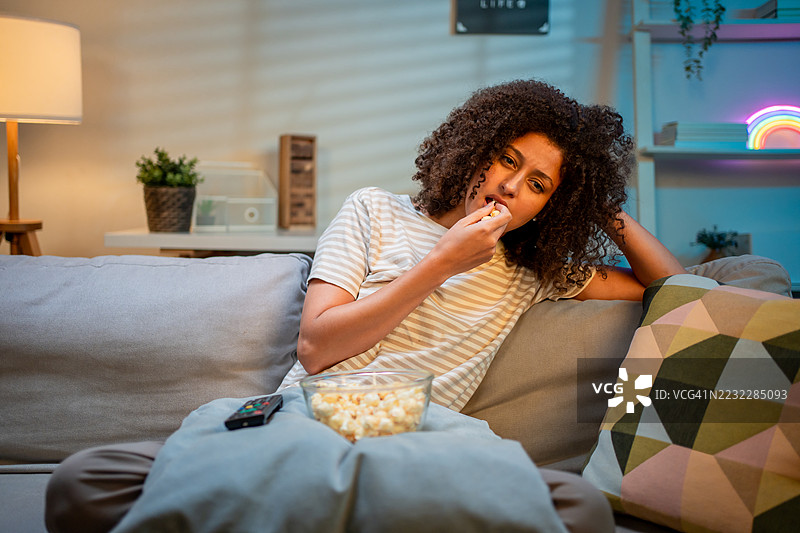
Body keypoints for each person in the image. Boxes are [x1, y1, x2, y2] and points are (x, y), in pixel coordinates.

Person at [45, 79, 685, 533]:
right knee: (83, 482)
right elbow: (318, 346)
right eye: (506, 160)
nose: (510, 186)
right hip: (306, 416)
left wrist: (598, 205)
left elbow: (673, 287)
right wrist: (440, 265)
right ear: (478, 146)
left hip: (420, 437)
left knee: (583, 510)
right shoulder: (374, 211)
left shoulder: (534, 270)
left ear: (550, 206)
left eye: (537, 185)